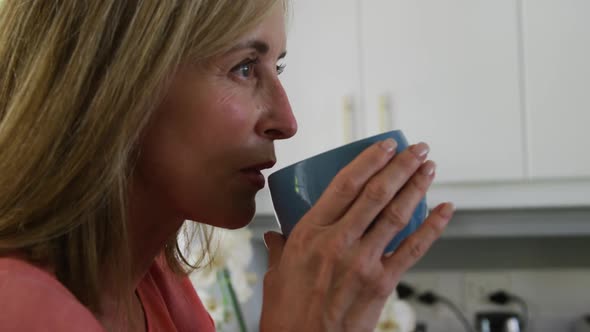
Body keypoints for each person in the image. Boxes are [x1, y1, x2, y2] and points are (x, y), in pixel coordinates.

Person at [0, 0, 454, 331]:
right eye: (244, 68)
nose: (287, 121)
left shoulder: (156, 290)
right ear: (114, 83)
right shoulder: (20, 305)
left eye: (278, 67)